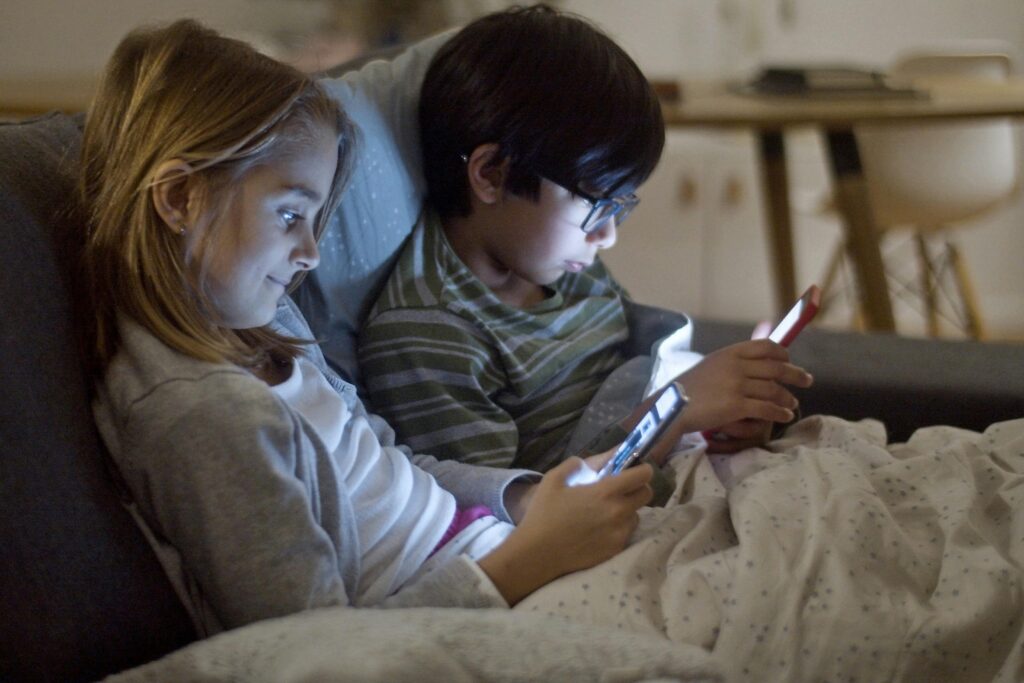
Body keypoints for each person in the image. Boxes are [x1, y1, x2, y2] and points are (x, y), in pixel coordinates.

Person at [79, 18, 654, 636]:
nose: (312, 253)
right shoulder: (202, 416)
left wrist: (521, 499)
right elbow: (316, 646)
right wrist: (527, 560)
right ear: (179, 198)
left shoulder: (264, 321)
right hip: (465, 609)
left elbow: (389, 465)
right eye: (291, 213)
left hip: (488, 549)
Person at [357, 4, 813, 474]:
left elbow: (619, 390)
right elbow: (518, 518)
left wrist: (721, 424)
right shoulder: (430, 336)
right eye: (596, 203)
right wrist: (678, 409)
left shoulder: (556, 264)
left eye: (620, 206)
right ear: (493, 174)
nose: (608, 236)